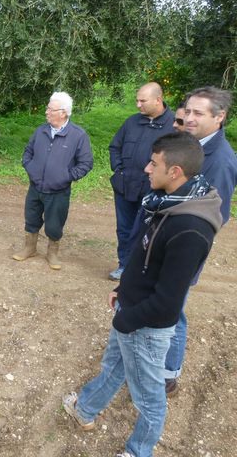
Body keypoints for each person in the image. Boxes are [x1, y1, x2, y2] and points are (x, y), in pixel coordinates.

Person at [63, 133, 222, 457]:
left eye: (154, 163)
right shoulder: (170, 202)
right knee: (113, 367)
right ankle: (85, 409)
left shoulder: (190, 228)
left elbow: (168, 303)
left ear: (175, 171)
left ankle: (138, 451)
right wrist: (122, 289)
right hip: (132, 308)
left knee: (149, 399)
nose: (147, 168)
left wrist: (127, 320)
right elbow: (146, 258)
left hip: (145, 326)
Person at [163, 86, 237, 394]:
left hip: (182, 249)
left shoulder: (220, 161)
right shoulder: (192, 145)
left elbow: (214, 216)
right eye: (188, 111)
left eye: (198, 113)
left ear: (219, 117)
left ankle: (168, 375)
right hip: (166, 239)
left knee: (172, 310)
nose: (189, 118)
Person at [12, 92, 93, 270]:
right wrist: (30, 168)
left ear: (63, 113)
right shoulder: (41, 131)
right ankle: (30, 248)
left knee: (55, 224)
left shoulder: (78, 135)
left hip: (58, 191)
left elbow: (86, 163)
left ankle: (52, 253)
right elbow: (28, 152)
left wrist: (65, 177)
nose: (46, 112)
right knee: (31, 218)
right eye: (48, 108)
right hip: (35, 186)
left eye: (51, 109)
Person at [108, 82, 175, 281]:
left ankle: (142, 269)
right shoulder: (131, 122)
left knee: (148, 231)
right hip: (125, 187)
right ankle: (124, 265)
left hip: (153, 191)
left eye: (142, 101)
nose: (138, 105)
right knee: (124, 229)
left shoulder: (173, 126)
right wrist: (119, 170)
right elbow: (115, 147)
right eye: (137, 100)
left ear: (158, 100)